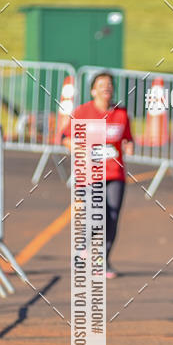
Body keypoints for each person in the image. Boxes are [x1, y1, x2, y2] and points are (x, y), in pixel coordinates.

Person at [62, 71, 133, 279]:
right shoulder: (83, 112)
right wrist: (78, 148)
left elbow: (128, 138)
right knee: (97, 212)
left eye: (109, 84)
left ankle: (103, 262)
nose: (106, 87)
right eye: (101, 84)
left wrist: (129, 146)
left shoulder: (121, 114)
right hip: (89, 174)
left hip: (115, 173)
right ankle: (82, 248)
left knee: (112, 218)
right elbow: (65, 137)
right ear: (93, 90)